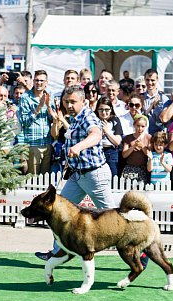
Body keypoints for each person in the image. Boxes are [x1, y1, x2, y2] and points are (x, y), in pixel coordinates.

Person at [35, 85, 116, 261]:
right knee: (59, 213)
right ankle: (57, 252)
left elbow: (95, 134)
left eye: (73, 102)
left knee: (114, 221)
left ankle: (140, 251)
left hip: (94, 176)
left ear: (83, 101)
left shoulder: (88, 117)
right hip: (78, 176)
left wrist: (79, 146)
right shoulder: (75, 118)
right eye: (66, 101)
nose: (69, 105)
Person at [18, 70, 54, 175]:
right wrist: (38, 108)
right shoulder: (25, 97)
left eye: (42, 81)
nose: (39, 83)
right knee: (33, 178)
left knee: (45, 179)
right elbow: (24, 122)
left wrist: (48, 106)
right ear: (33, 81)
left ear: (46, 82)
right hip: (32, 144)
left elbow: (52, 120)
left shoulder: (49, 96)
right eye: (37, 80)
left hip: (47, 143)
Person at [94, 96, 122, 177]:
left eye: (106, 110)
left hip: (111, 152)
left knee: (113, 177)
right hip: (96, 151)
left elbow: (117, 142)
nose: (104, 112)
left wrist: (107, 132)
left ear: (111, 109)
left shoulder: (115, 120)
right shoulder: (93, 120)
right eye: (101, 110)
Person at [121, 114, 151, 183]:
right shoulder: (128, 138)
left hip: (143, 169)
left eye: (142, 126)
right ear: (134, 125)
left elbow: (149, 154)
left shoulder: (148, 138)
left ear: (145, 126)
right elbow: (124, 155)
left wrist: (142, 146)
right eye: (138, 126)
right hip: (130, 168)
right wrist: (133, 146)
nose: (140, 129)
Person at [142, 68, 169, 134]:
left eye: (152, 80)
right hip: (143, 134)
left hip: (158, 135)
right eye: (147, 80)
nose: (150, 83)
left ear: (157, 80)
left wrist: (157, 108)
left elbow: (165, 118)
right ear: (144, 80)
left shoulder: (164, 98)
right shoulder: (140, 97)